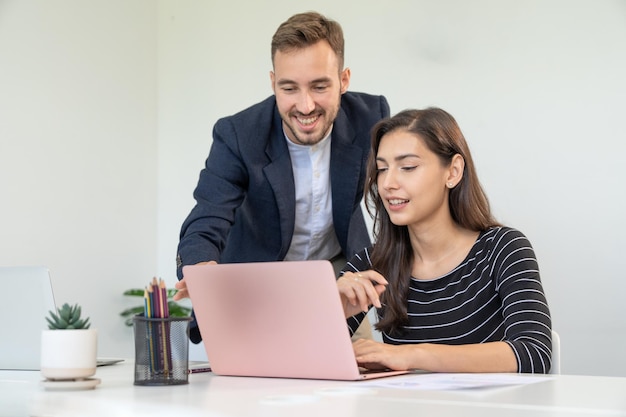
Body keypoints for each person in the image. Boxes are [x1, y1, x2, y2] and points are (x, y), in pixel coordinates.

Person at [174, 12, 390, 343]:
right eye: (289, 88)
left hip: (337, 280)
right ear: (273, 82)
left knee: (355, 377)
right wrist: (202, 268)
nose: (305, 106)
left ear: (344, 80)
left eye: (319, 86)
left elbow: (401, 197)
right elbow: (206, 218)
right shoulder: (238, 135)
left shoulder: (370, 118)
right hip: (260, 284)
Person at [338, 108, 553, 373]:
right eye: (382, 169)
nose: (388, 183)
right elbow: (300, 359)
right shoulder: (371, 264)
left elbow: (534, 352)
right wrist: (333, 311)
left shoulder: (504, 249)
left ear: (453, 172)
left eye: (408, 167)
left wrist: (412, 355)